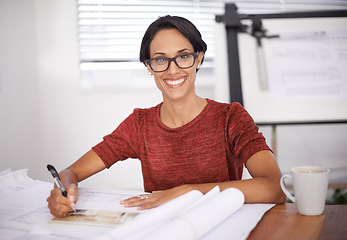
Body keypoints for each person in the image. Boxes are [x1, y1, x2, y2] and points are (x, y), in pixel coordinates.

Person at [47, 15, 286, 217]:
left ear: (199, 58)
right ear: (149, 66)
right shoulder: (140, 125)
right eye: (161, 59)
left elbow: (274, 187)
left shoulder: (230, 117)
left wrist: (188, 191)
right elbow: (71, 172)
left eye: (183, 56)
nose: (173, 69)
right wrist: (64, 190)